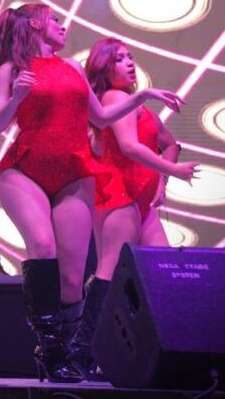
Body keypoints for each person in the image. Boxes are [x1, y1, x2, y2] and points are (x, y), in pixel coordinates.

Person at [0, 4, 182, 383]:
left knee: (73, 278)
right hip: (25, 168)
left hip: (73, 173)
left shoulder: (72, 67)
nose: (62, 26)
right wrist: (16, 98)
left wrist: (143, 96)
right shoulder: (12, 69)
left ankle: (69, 354)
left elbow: (101, 117)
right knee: (42, 244)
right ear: (35, 24)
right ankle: (50, 352)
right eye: (55, 20)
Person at [69, 38, 199, 379]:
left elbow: (169, 144)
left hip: (140, 199)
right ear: (103, 68)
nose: (129, 63)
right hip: (119, 195)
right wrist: (172, 171)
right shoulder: (114, 98)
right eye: (119, 59)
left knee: (163, 270)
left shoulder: (138, 106)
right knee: (110, 270)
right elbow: (128, 146)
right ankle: (82, 350)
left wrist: (161, 181)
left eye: (130, 57)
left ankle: (163, 349)